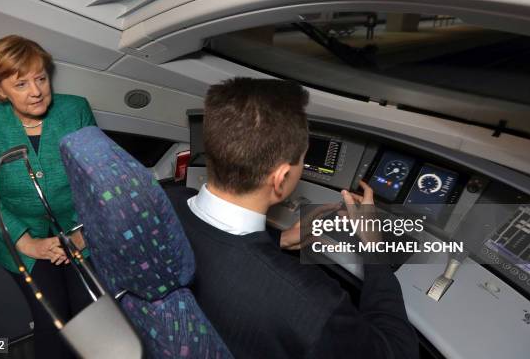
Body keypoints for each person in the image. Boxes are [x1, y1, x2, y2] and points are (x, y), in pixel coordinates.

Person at [166, 78, 419, 358]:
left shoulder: (164, 202)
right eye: (301, 159)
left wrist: (279, 240)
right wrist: (374, 250)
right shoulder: (312, 306)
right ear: (282, 178)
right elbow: (398, 352)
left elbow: (225, 251)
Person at [0, 35, 96, 359]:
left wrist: (83, 232)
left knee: (91, 314)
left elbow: (100, 179)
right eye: (21, 84)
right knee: (53, 322)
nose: (36, 91)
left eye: (41, 78)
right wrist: (27, 243)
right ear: (0, 90)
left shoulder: (75, 109)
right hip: (22, 241)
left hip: (80, 233)